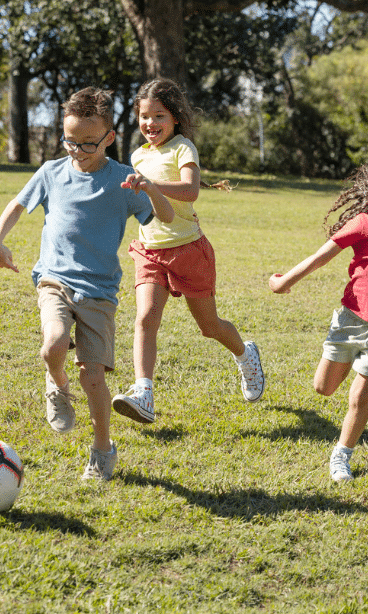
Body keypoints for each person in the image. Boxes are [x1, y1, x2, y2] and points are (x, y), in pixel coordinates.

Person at [0, 87, 174, 481]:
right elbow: (18, 205)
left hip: (99, 293)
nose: (76, 150)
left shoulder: (125, 181)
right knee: (53, 343)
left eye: (87, 144)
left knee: (93, 378)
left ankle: (103, 448)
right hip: (54, 280)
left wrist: (152, 189)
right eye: (69, 141)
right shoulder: (52, 172)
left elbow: (167, 217)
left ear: (108, 137)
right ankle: (56, 384)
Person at [269, 145, 368, 482]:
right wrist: (285, 281)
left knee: (360, 396)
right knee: (324, 388)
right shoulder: (362, 223)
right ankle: (345, 370)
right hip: (349, 320)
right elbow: (321, 256)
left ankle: (342, 455)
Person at [112, 78, 265, 425]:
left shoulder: (183, 148)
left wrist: (150, 185)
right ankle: (144, 393)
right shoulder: (137, 155)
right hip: (150, 249)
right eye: (144, 116)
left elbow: (191, 190)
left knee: (209, 326)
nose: (150, 123)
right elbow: (140, 201)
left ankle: (245, 355)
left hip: (188, 250)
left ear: (176, 117)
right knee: (145, 318)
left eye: (159, 115)